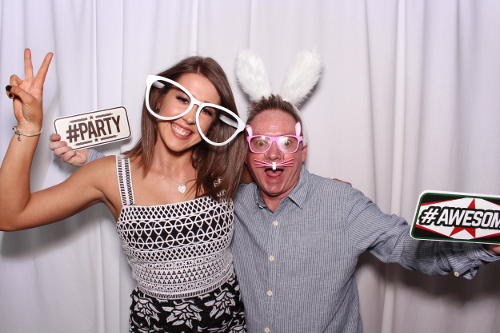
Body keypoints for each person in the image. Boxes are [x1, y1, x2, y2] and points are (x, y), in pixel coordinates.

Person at [51, 53, 500, 332]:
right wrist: (89, 163)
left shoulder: (340, 204)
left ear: (303, 151)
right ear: (243, 154)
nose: (273, 157)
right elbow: (157, 188)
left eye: (287, 144)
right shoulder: (227, 200)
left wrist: (482, 240)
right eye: (260, 144)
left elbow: (404, 245)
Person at [0, 49, 248, 332]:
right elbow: (10, 215)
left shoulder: (223, 167)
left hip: (230, 325)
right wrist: (29, 127)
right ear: (158, 98)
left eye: (206, 111)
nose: (190, 117)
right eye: (182, 99)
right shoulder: (109, 175)